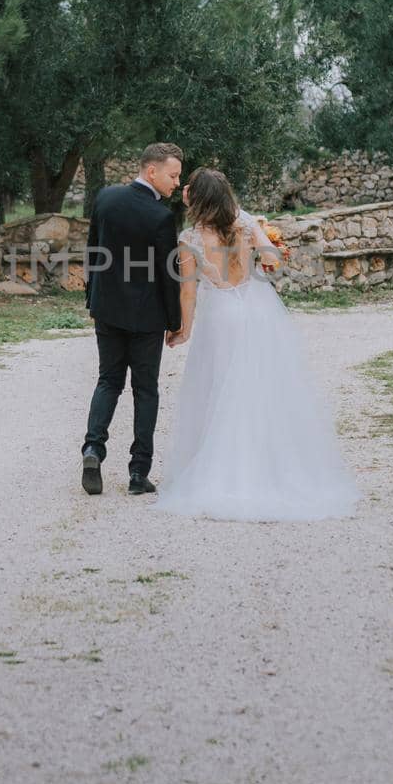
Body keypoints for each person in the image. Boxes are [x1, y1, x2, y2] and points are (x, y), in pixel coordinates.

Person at [155, 166, 358, 523]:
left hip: (221, 317)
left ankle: (225, 471)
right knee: (260, 389)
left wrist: (182, 330)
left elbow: (188, 293)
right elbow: (273, 260)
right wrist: (258, 239)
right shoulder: (246, 227)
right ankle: (271, 468)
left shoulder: (189, 239)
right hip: (256, 311)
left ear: (199, 200)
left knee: (218, 391)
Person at [80, 143, 183, 496]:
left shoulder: (106, 198)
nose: (176, 182)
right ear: (151, 171)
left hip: (106, 309)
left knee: (108, 380)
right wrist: (175, 321)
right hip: (146, 317)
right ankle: (139, 474)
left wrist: (91, 296)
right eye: (173, 175)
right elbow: (169, 276)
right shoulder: (161, 217)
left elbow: (93, 251)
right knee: (145, 390)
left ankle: (93, 449)